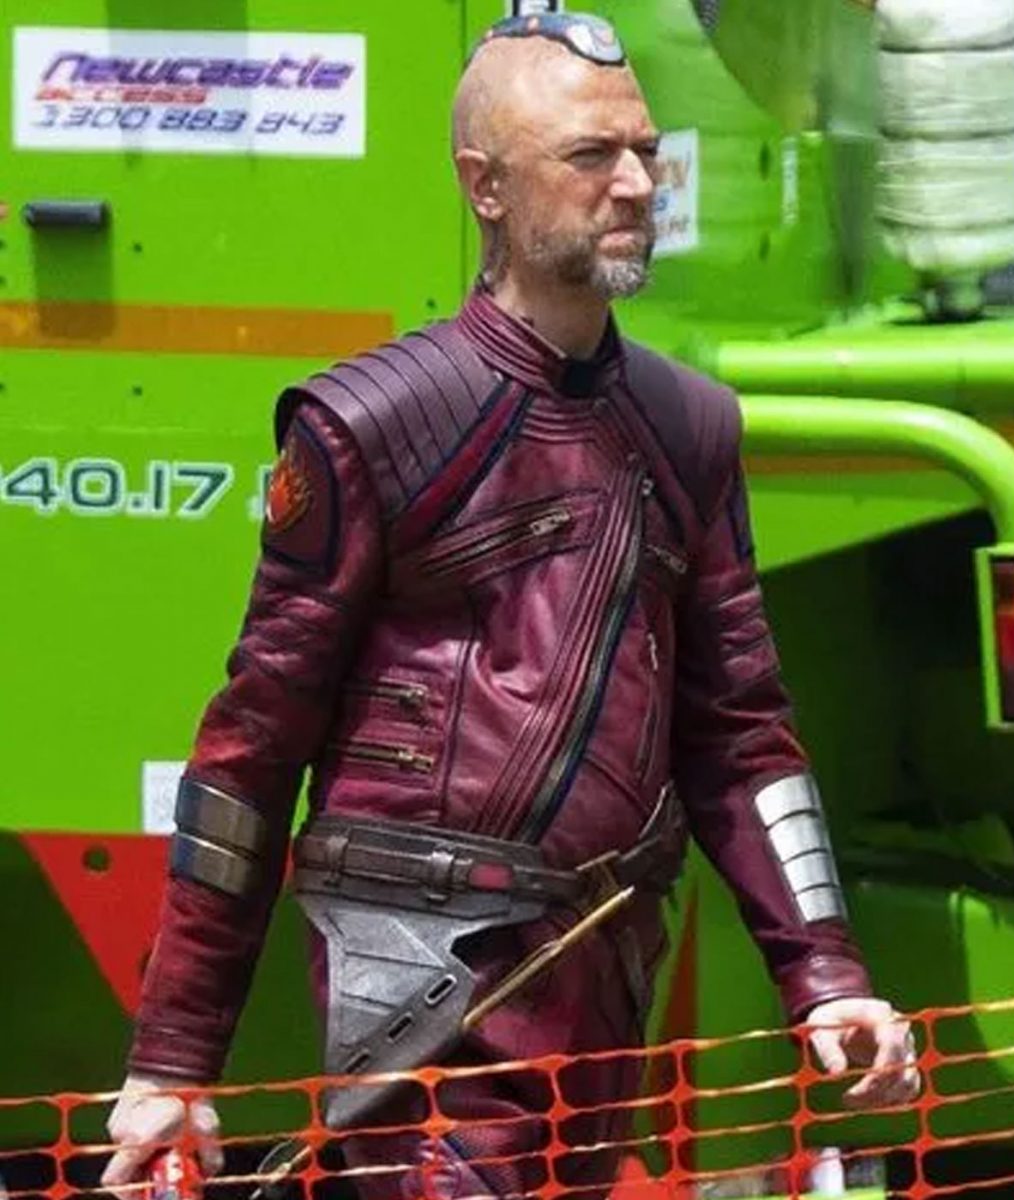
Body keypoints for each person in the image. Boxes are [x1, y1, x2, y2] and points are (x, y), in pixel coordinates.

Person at [102, 12, 919, 1198]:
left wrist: (827, 977)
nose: (635, 183)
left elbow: (742, 734)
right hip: (423, 985)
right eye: (590, 156)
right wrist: (174, 1062)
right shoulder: (369, 425)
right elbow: (249, 754)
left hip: (606, 980)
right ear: (484, 186)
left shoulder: (690, 428)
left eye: (644, 151)